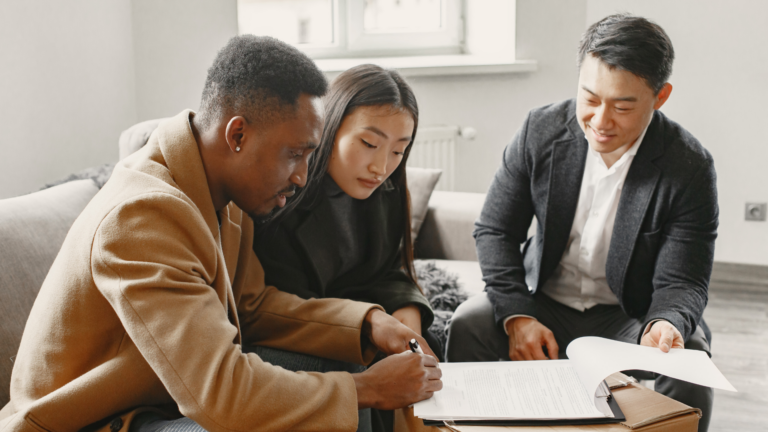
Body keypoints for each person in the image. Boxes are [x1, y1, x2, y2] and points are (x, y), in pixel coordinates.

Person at [1, 36, 441, 432]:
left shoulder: (223, 194)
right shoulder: (142, 217)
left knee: (342, 360)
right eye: (294, 155)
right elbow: (222, 398)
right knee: (330, 401)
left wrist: (367, 324)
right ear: (237, 135)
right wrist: (366, 389)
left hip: (162, 395)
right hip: (92, 420)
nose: (304, 177)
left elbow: (251, 307)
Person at [446, 14, 717, 432]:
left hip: (631, 314)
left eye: (623, 106)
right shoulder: (540, 130)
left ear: (660, 97)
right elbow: (496, 229)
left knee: (690, 355)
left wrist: (665, 323)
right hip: (542, 300)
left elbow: (683, 280)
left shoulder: (689, 166)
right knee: (467, 324)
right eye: (590, 98)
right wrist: (517, 316)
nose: (601, 121)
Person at [252, 64, 437, 432]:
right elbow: (280, 310)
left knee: (425, 356)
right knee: (353, 365)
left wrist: (406, 309)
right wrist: (368, 324)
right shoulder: (281, 195)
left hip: (356, 322)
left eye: (399, 151)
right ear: (330, 128)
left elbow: (385, 269)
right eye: (369, 144)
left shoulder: (386, 189)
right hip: (293, 333)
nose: (381, 166)